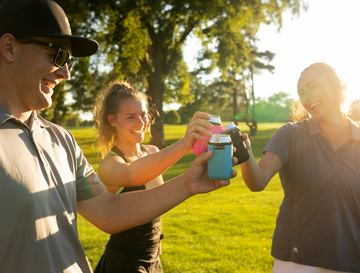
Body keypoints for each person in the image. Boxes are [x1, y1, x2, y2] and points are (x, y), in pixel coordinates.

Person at [0, 0, 237, 272]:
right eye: (58, 56)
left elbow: (109, 211)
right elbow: (130, 176)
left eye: (70, 62)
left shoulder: (61, 140)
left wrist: (188, 184)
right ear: (9, 47)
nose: (65, 73)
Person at [240, 62, 360, 273]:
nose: (306, 97)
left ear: (336, 86)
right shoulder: (290, 135)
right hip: (297, 263)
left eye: (313, 87)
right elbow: (257, 181)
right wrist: (245, 152)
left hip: (350, 261)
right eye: (301, 92)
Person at [92, 80, 212, 273]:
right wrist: (184, 145)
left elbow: (155, 203)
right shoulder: (109, 165)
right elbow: (132, 175)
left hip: (153, 258)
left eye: (143, 115)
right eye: (130, 117)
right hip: (126, 262)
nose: (140, 123)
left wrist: (158, 242)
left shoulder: (153, 151)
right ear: (112, 120)